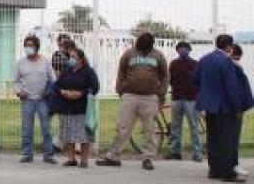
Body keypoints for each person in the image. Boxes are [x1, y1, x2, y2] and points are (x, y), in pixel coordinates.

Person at [97, 32, 169, 171]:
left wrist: (161, 93)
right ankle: (113, 157)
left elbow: (165, 75)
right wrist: (120, 90)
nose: (144, 48)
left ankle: (147, 158)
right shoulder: (129, 54)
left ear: (151, 44)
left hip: (150, 96)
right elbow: (121, 72)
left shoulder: (158, 55)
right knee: (123, 127)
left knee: (149, 129)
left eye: (147, 46)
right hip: (130, 95)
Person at [195, 35, 253, 183]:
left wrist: (205, 95)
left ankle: (214, 170)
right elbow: (231, 87)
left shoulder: (204, 59)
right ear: (229, 46)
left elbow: (195, 79)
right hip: (225, 107)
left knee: (213, 138)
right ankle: (228, 172)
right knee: (227, 140)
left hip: (210, 106)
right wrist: (237, 107)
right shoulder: (226, 62)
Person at [14, 35, 57, 164]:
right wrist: (19, 92)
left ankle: (48, 155)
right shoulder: (20, 63)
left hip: (43, 100)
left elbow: (53, 80)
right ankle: (27, 154)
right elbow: (15, 81)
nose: (28, 48)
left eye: (31, 45)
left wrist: (48, 92)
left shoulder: (45, 61)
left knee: (46, 128)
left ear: (37, 47)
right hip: (27, 99)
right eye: (26, 45)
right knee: (27, 128)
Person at [55, 48, 99, 168]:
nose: (71, 59)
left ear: (81, 59)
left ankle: (84, 160)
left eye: (74, 57)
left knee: (83, 136)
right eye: (70, 57)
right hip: (67, 108)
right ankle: (71, 159)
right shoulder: (66, 71)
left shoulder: (89, 71)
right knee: (69, 135)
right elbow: (56, 85)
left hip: (82, 109)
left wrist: (81, 93)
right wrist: (63, 92)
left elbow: (95, 87)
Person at [166, 41, 202, 162]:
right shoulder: (173, 64)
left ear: (189, 50)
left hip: (191, 99)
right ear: (177, 50)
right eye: (180, 48)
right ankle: (175, 152)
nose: (182, 50)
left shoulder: (195, 64)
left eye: (185, 48)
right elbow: (170, 79)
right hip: (177, 98)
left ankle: (197, 153)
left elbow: (199, 81)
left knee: (194, 127)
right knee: (175, 127)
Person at [230, 44, 252, 178]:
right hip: (235, 108)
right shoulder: (235, 68)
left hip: (230, 108)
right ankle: (233, 164)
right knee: (233, 137)